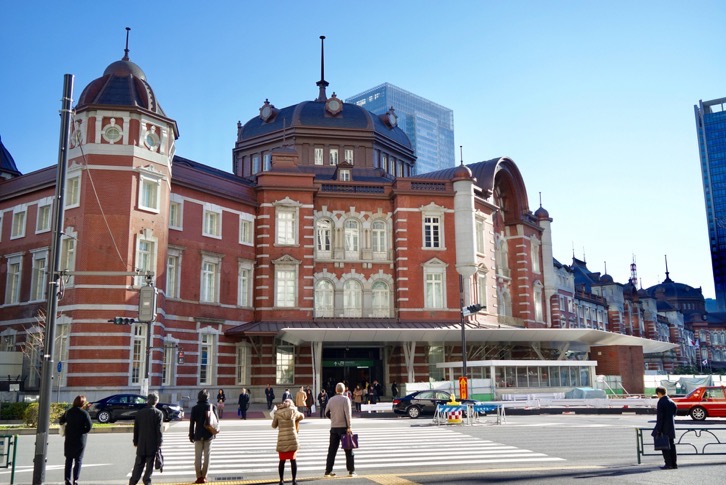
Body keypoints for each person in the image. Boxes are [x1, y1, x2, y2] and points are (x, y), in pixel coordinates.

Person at [129, 392, 163, 485]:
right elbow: (159, 430)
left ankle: (133, 481)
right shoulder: (158, 413)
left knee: (138, 465)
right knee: (149, 465)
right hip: (152, 444)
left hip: (141, 443)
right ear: (156, 401)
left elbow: (136, 429)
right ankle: (147, 481)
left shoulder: (140, 413)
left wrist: (135, 441)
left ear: (148, 401)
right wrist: (159, 443)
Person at [324, 382, 356, 478]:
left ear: (335, 390)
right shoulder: (346, 399)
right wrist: (349, 427)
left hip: (334, 428)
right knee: (349, 450)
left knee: (332, 451)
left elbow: (326, 412)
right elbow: (348, 414)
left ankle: (328, 471)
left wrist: (333, 418)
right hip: (344, 428)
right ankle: (351, 471)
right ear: (344, 390)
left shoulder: (331, 399)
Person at [59, 394, 93, 485]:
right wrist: (83, 431)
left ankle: (67, 480)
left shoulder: (68, 412)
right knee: (78, 460)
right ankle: (75, 480)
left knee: (68, 459)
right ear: (82, 403)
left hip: (69, 438)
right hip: (80, 439)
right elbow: (89, 426)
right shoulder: (84, 413)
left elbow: (61, 421)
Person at [272, 399, 304, 485]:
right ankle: (294, 480)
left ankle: (281, 480)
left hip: (282, 440)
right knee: (293, 460)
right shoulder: (293, 411)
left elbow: (273, 425)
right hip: (292, 439)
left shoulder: (278, 412)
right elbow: (302, 416)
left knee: (282, 461)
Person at [652, 386, 677, 470]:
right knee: (672, 446)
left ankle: (668, 464)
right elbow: (674, 414)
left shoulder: (661, 402)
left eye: (657, 394)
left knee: (665, 447)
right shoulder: (672, 402)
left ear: (659, 393)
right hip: (671, 428)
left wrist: (658, 429)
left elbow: (660, 418)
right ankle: (674, 464)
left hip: (664, 429)